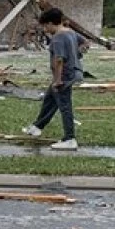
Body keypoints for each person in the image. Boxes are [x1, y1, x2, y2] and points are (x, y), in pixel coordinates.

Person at [22, 8, 82, 151]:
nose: (45, 29)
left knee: (64, 106)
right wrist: (77, 55)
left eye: (45, 26)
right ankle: (37, 127)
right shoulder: (71, 32)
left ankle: (70, 138)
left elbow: (59, 60)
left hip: (64, 76)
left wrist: (58, 80)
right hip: (73, 72)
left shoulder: (58, 38)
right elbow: (84, 43)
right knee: (50, 99)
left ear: (50, 23)